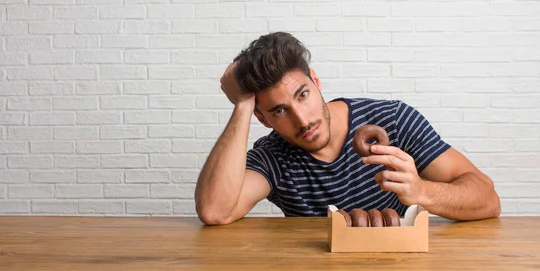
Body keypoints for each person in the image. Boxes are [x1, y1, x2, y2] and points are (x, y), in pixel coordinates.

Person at [194, 32, 501, 225]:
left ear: (316, 82)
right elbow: (215, 211)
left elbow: (487, 199)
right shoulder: (274, 157)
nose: (302, 120)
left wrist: (421, 191)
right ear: (264, 119)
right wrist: (243, 104)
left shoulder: (393, 120)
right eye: (279, 110)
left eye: (303, 95)